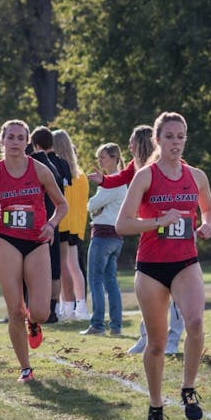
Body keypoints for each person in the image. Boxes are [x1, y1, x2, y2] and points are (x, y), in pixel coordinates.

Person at [115, 112, 211, 420]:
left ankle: (188, 389)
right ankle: (156, 405)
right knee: (156, 343)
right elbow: (123, 223)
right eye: (169, 136)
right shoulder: (145, 176)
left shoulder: (197, 176)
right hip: (151, 268)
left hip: (186, 261)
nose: (176, 142)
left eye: (181, 136)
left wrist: (207, 225)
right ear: (157, 140)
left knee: (196, 322)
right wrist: (157, 222)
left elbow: (209, 209)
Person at [0, 119, 67, 382]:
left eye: (20, 138)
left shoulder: (41, 170)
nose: (14, 142)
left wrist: (51, 225)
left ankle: (34, 323)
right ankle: (25, 368)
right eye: (10, 137)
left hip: (36, 241)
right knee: (15, 310)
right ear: (2, 141)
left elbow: (62, 205)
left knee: (41, 312)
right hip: (7, 240)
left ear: (27, 142)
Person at [91, 125, 184, 354]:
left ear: (141, 142)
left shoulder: (164, 165)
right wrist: (102, 180)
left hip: (174, 231)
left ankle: (172, 338)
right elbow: (120, 179)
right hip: (151, 230)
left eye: (132, 142)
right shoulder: (136, 167)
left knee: (176, 289)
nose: (129, 146)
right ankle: (147, 336)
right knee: (147, 288)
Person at [81, 142, 127, 335]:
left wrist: (94, 207)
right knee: (111, 282)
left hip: (103, 236)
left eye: (103, 157)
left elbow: (91, 205)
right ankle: (115, 326)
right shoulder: (117, 181)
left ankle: (97, 324)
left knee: (95, 279)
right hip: (116, 236)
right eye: (99, 157)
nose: (100, 160)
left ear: (115, 158)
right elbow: (96, 207)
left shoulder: (113, 182)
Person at [31, 126, 71, 324]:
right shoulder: (62, 163)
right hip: (56, 219)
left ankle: (33, 308)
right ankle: (53, 310)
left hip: (38, 219)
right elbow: (67, 187)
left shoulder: (33, 162)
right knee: (56, 266)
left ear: (35, 144)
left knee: (34, 268)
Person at [52, 129, 90, 322]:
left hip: (63, 223)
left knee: (63, 267)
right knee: (75, 267)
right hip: (76, 224)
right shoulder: (80, 174)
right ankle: (81, 305)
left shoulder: (60, 172)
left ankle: (67, 306)